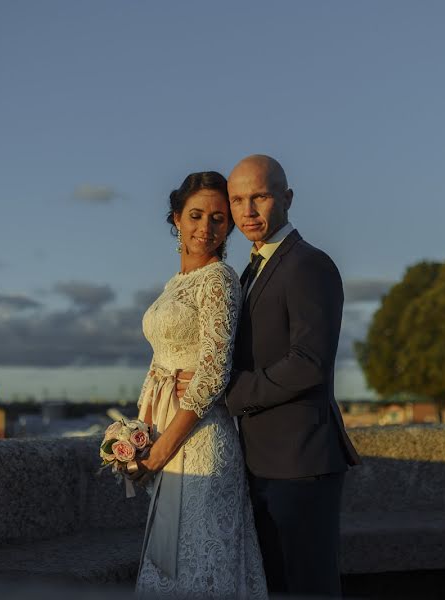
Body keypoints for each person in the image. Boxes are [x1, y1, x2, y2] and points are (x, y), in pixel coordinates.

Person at [178, 154, 361, 597]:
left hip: (300, 463)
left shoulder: (308, 264)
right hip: (259, 462)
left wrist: (228, 391)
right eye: (238, 200)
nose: (248, 211)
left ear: (287, 198)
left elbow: (308, 363)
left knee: (308, 587)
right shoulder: (250, 270)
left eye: (259, 196)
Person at [132, 171, 267, 598]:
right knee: (168, 563)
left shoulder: (220, 280)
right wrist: (138, 435)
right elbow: (159, 365)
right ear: (176, 218)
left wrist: (164, 446)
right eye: (195, 216)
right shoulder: (175, 284)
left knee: (199, 565)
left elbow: (212, 373)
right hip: (164, 431)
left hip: (201, 438)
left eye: (217, 218)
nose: (205, 229)